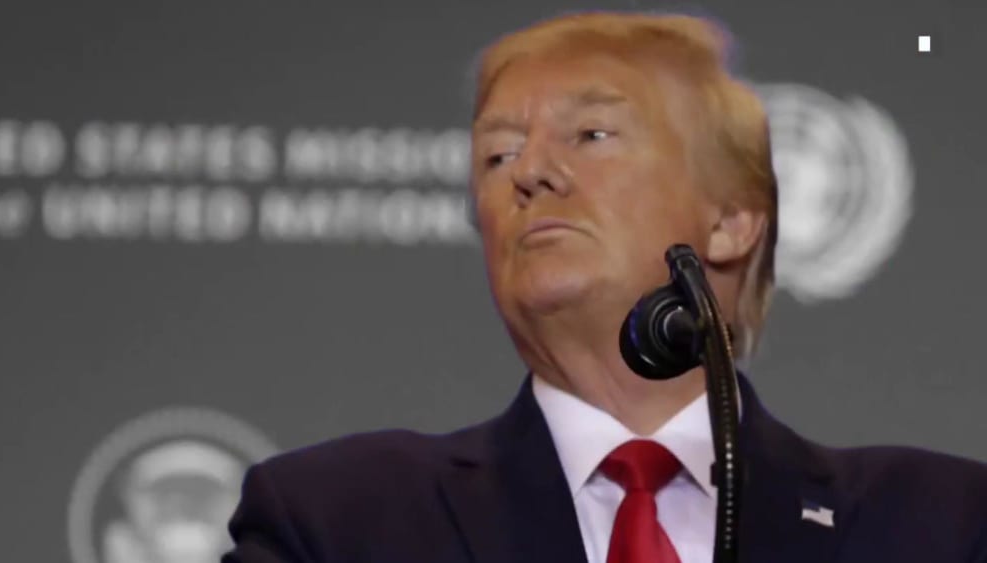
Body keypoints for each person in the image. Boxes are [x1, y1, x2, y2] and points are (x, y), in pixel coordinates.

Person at [223, 11, 987, 563]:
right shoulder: (339, 522)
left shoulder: (939, 525)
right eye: (497, 156)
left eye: (591, 135)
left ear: (730, 221)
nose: (529, 172)